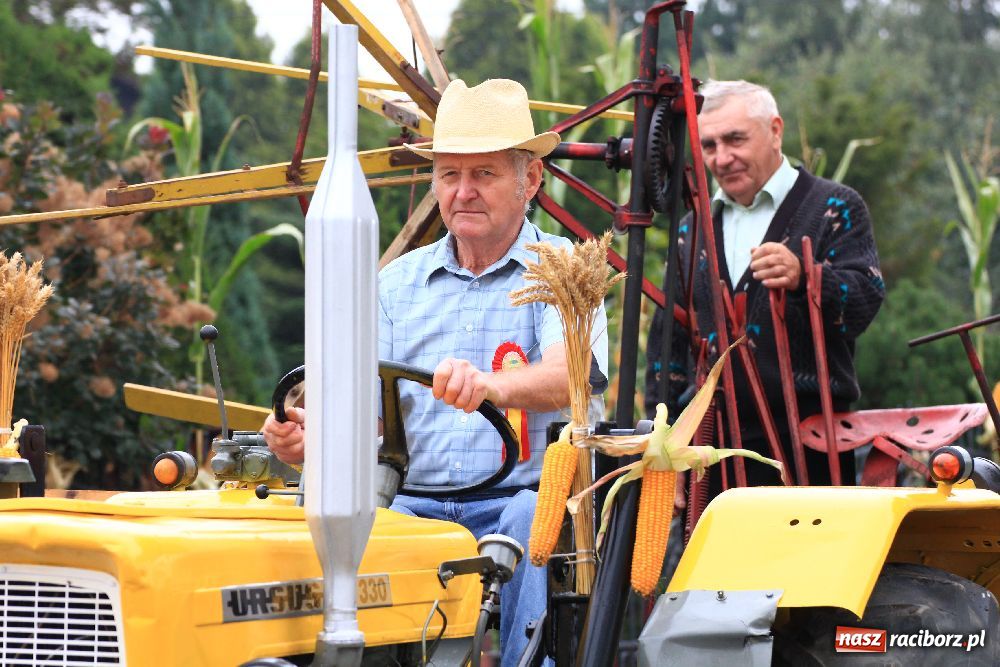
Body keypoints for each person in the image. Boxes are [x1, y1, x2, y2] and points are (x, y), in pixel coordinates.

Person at [264, 78, 608, 667]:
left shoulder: (565, 271)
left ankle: (532, 660)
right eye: (450, 175)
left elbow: (570, 377)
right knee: (342, 519)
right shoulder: (394, 284)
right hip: (411, 502)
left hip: (516, 497)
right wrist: (307, 439)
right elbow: (365, 416)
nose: (464, 192)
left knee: (531, 514)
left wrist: (493, 385)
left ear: (530, 180)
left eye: (485, 175)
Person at [645, 79, 884, 489]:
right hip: (709, 446)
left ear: (776, 130)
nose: (723, 158)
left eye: (735, 139)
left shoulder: (835, 207)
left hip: (811, 438)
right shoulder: (692, 229)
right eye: (710, 146)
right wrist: (662, 440)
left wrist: (806, 277)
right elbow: (669, 343)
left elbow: (864, 301)